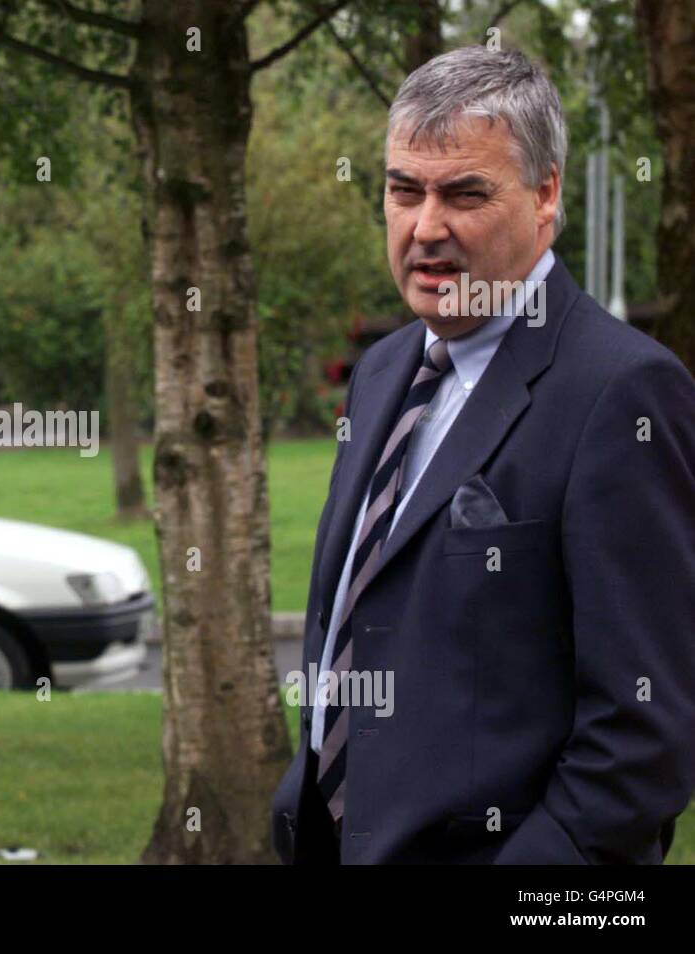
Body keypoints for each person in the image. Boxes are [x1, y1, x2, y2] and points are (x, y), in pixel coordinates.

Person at [271, 46, 695, 864]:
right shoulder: (384, 372)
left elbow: (644, 736)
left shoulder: (624, 393)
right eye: (403, 191)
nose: (427, 226)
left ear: (546, 196)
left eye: (465, 193)